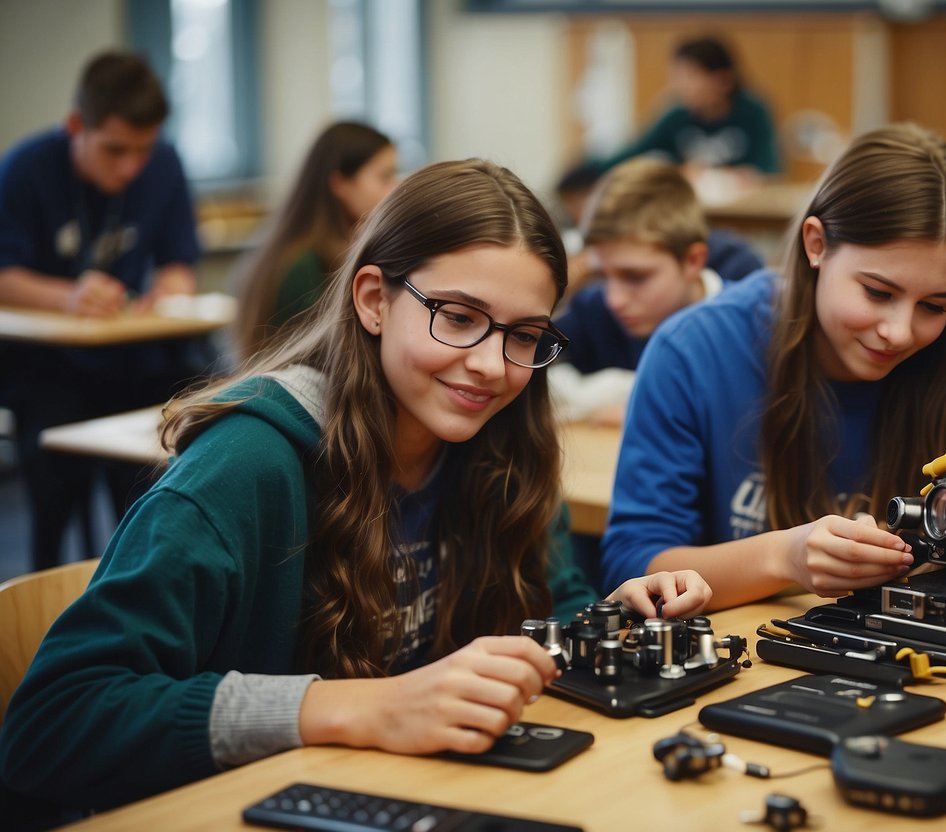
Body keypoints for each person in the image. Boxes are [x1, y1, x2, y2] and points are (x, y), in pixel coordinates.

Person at [0, 159, 711, 827]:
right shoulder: (246, 468)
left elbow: (538, 615)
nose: (492, 366)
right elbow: (52, 722)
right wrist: (351, 708)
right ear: (373, 300)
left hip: (404, 796)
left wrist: (599, 624)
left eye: (524, 335)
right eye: (457, 317)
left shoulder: (502, 446)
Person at [599, 124, 946, 610]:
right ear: (816, 244)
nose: (898, 331)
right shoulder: (694, 351)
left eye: (934, 306)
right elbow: (633, 563)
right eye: (878, 292)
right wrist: (783, 557)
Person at [0, 51, 202, 572]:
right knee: (52, 497)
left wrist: (169, 287)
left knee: (155, 482)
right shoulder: (26, 169)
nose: (130, 166)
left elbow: (180, 263)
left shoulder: (165, 164)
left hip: (132, 362)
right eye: (114, 150)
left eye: (143, 150)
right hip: (47, 370)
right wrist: (65, 297)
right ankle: (41, 590)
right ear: (75, 127)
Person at [551, 156, 764, 425]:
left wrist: (639, 398)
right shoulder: (594, 308)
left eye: (635, 277)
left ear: (692, 262)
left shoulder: (747, 318)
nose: (614, 300)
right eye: (604, 276)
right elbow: (533, 377)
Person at [231, 121, 397, 360]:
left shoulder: (304, 249)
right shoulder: (303, 266)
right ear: (341, 184)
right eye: (384, 177)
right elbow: (333, 357)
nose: (394, 189)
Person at [584, 35, 780, 181]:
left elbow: (770, 169)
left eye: (690, 76)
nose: (681, 86)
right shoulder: (676, 115)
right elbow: (633, 152)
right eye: (677, 77)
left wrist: (732, 177)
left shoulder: (754, 111)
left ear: (723, 80)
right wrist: (587, 168)